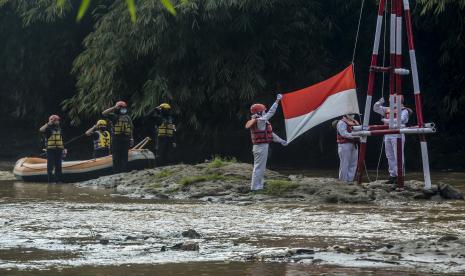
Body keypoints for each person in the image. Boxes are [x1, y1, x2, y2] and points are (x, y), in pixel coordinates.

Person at [245, 94, 287, 191]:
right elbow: (271, 113)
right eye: (263, 110)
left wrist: (281, 141)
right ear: (259, 112)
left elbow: (271, 134)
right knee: (259, 168)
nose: (265, 112)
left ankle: (259, 186)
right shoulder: (260, 120)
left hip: (260, 147)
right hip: (260, 147)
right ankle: (255, 188)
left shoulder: (260, 121)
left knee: (261, 167)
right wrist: (277, 101)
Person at [373, 97, 410, 184]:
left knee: (398, 155)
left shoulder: (404, 110)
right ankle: (393, 175)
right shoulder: (387, 109)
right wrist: (379, 102)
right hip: (387, 134)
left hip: (397, 134)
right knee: (389, 156)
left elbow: (401, 120)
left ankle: (400, 175)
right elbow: (375, 108)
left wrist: (387, 120)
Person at [102, 101, 134, 173]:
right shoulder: (114, 116)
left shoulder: (127, 117)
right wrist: (114, 107)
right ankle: (116, 171)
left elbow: (131, 128)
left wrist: (131, 138)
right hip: (116, 138)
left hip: (126, 138)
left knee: (124, 155)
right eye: (121, 107)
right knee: (116, 155)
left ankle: (124, 171)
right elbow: (103, 113)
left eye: (124, 107)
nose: (122, 109)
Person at [39, 115, 66, 183]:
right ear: (53, 121)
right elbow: (41, 130)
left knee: (59, 166)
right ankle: (50, 182)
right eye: (57, 120)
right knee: (50, 167)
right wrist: (48, 123)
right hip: (50, 150)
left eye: (58, 120)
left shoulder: (59, 129)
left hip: (59, 150)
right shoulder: (48, 129)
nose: (58, 121)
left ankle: (58, 181)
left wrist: (64, 149)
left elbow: (61, 140)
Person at [336, 114, 360, 183]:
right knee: (345, 163)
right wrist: (355, 136)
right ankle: (343, 180)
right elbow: (343, 133)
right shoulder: (341, 122)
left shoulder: (355, 122)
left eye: (353, 114)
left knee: (353, 163)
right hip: (344, 144)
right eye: (350, 114)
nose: (352, 115)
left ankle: (350, 180)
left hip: (354, 144)